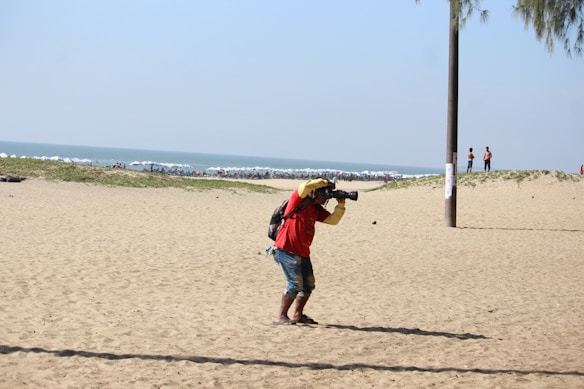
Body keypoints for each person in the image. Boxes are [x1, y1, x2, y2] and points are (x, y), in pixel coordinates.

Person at [272, 178, 346, 325]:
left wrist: (341, 204)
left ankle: (297, 315)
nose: (325, 197)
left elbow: (333, 220)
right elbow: (305, 186)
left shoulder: (316, 209)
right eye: (323, 194)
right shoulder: (298, 200)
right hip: (286, 249)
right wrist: (325, 182)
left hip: (303, 251)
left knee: (308, 285)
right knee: (294, 284)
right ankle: (281, 316)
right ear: (314, 193)